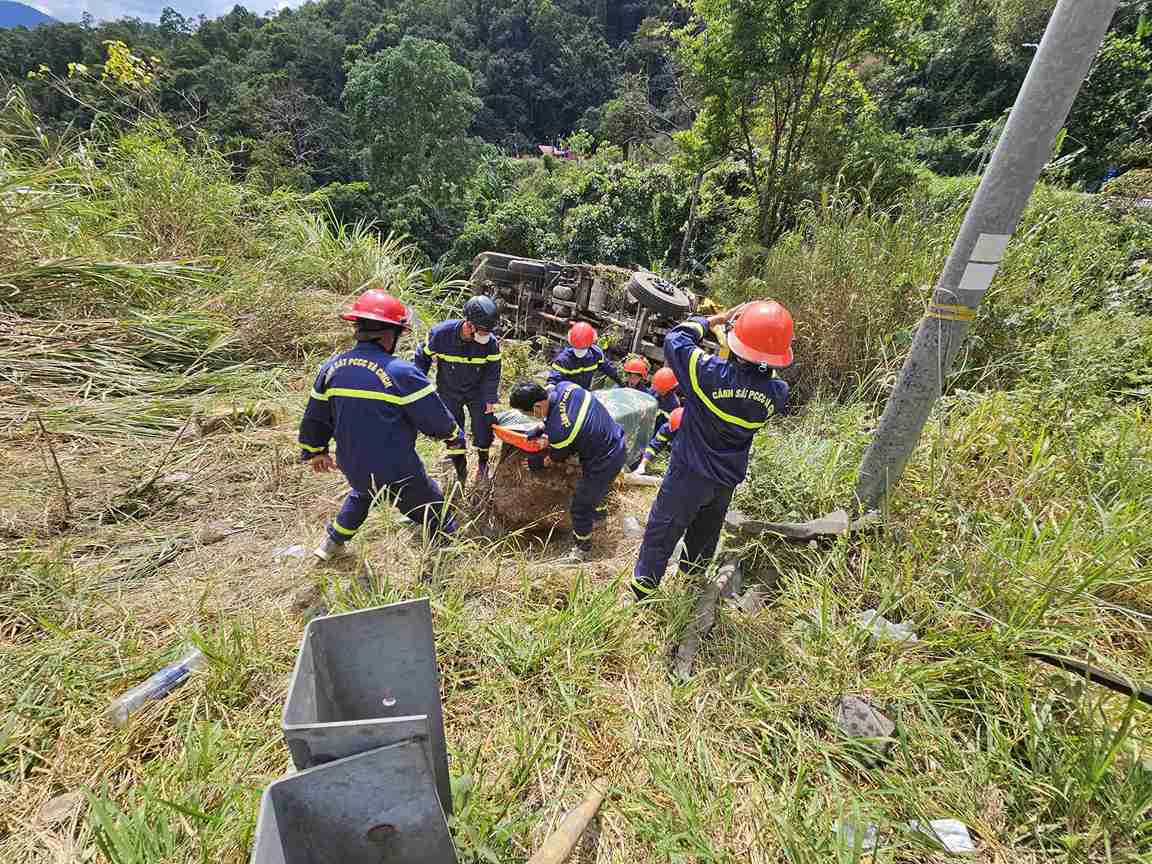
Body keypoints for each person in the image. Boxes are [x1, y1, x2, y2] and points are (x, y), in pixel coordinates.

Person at [630, 301, 793, 600]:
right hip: (725, 482)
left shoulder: (707, 374)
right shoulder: (777, 393)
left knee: (663, 530)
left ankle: (643, 593)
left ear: (736, 342)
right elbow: (757, 378)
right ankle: (691, 583)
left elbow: (675, 339)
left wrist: (717, 319)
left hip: (687, 476)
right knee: (705, 534)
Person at [299, 289, 462, 561]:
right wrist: (453, 436)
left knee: (363, 493)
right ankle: (449, 549)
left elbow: (315, 415)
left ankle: (331, 543)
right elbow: (435, 418)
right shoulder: (401, 372)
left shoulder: (331, 368)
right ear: (389, 334)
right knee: (432, 504)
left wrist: (316, 450)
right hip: (397, 467)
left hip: (352, 461)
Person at [509, 380, 628, 561]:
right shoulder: (566, 386)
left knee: (580, 507)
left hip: (605, 460)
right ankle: (599, 516)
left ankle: (583, 550)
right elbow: (560, 413)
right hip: (613, 440)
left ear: (537, 406)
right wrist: (542, 427)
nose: (529, 417)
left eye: (528, 413)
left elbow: (556, 458)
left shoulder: (560, 433)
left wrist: (538, 463)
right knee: (597, 489)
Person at [414, 295, 502, 485]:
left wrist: (490, 398)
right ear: (469, 325)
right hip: (449, 389)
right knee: (453, 431)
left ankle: (483, 464)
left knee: (483, 427)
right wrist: (419, 384)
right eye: (482, 331)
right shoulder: (441, 334)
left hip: (477, 392)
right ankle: (460, 470)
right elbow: (423, 357)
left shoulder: (491, 344)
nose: (486, 336)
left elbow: (492, 373)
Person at [547, 322, 622, 390]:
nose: (580, 351)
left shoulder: (596, 354)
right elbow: (554, 380)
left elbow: (609, 369)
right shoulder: (563, 360)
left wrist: (623, 383)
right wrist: (550, 388)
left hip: (584, 393)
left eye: (583, 348)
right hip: (567, 397)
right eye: (577, 348)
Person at [633, 406, 683, 475]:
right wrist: (642, 465)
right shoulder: (667, 428)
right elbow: (654, 447)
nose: (672, 432)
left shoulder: (694, 435)